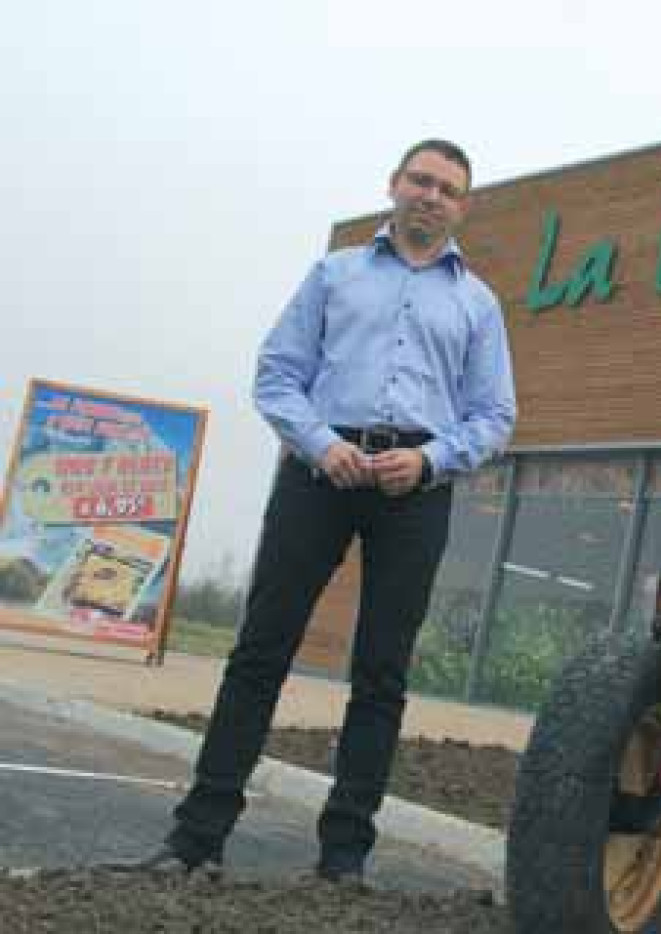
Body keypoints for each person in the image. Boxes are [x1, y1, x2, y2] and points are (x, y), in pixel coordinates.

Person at [142, 139, 516, 882]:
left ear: (462, 206)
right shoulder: (334, 274)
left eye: (447, 188)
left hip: (417, 489)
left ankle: (344, 858)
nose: (431, 195)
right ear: (394, 185)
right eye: (421, 179)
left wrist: (430, 459)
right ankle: (196, 841)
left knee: (381, 674)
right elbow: (277, 376)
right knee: (259, 654)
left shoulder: (478, 304)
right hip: (320, 476)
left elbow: (493, 416)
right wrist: (319, 442)